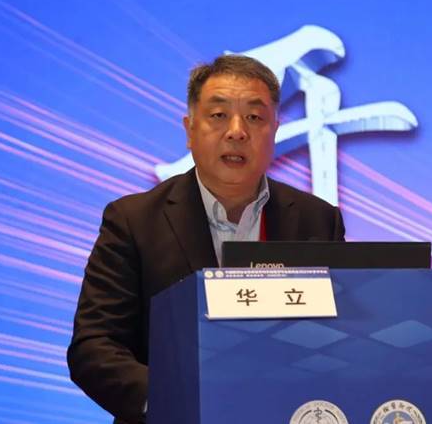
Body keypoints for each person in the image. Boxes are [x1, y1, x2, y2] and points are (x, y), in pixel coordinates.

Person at [67, 55, 345, 424]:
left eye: (254, 117)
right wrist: (172, 400)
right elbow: (94, 346)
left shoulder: (317, 220)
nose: (237, 131)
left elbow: (341, 336)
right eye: (218, 115)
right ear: (189, 129)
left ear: (274, 131)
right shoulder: (134, 220)